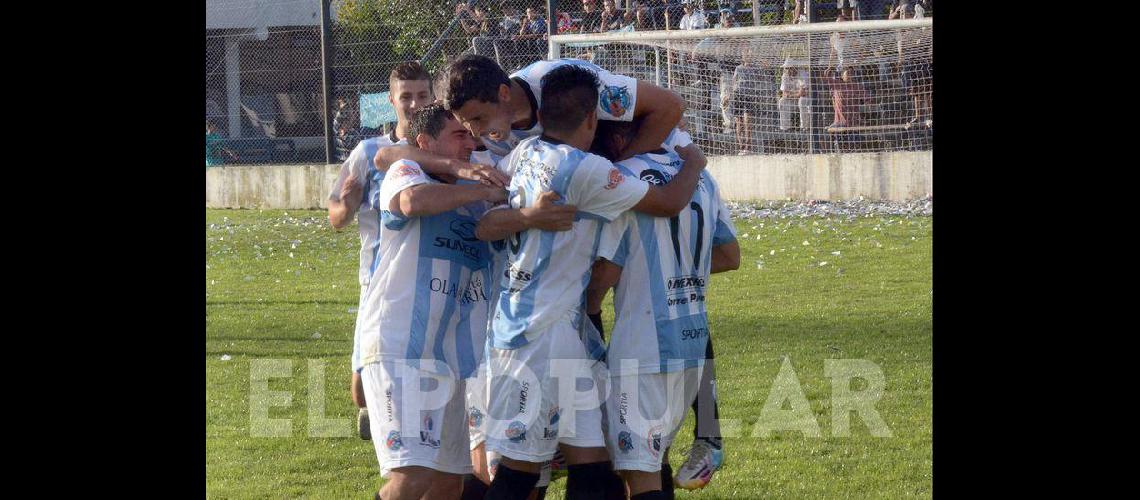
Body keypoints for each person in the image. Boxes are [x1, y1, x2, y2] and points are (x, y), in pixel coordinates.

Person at [473, 63, 708, 500]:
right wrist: (694, 159)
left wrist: (524, 216)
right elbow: (671, 201)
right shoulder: (589, 171)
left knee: (594, 463)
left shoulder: (523, 155)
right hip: (536, 336)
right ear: (592, 119)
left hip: (548, 327)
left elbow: (486, 224)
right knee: (520, 471)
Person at [588, 118, 741, 496]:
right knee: (656, 461)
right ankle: (711, 432)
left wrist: (587, 306)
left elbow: (606, 274)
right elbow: (729, 255)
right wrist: (673, 270)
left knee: (638, 474)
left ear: (621, 136)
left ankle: (711, 434)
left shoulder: (622, 180)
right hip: (691, 347)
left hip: (643, 350)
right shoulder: (700, 177)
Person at [327, 62, 434, 442]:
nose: (414, 104)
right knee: (362, 386)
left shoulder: (445, 148)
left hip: (432, 278)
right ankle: (378, 414)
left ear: (433, 97)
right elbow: (336, 217)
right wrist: (350, 201)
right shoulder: (368, 151)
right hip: (377, 283)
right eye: (405, 96)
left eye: (422, 95)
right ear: (391, 101)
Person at [437, 54, 685, 163]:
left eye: (478, 118)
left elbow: (670, 106)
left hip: (658, 163)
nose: (474, 131)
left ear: (503, 93)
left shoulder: (564, 84)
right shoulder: (488, 137)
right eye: (466, 123)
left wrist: (622, 171)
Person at [731, 52, 778, 154]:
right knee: (739, 122)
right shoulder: (738, 68)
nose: (748, 56)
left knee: (748, 121)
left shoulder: (755, 68)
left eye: (750, 55)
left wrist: (766, 68)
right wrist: (732, 93)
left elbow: (762, 77)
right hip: (738, 95)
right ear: (743, 57)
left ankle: (748, 146)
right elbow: (733, 81)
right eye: (746, 55)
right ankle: (740, 146)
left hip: (749, 96)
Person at [778, 59, 811, 132]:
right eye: (786, 68)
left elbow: (803, 93)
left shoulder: (802, 74)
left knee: (802, 100)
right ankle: (785, 128)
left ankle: (804, 127)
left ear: (794, 67)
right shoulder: (785, 76)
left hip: (806, 100)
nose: (787, 70)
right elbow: (784, 93)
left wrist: (790, 94)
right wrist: (795, 94)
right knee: (782, 101)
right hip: (792, 100)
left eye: (789, 68)